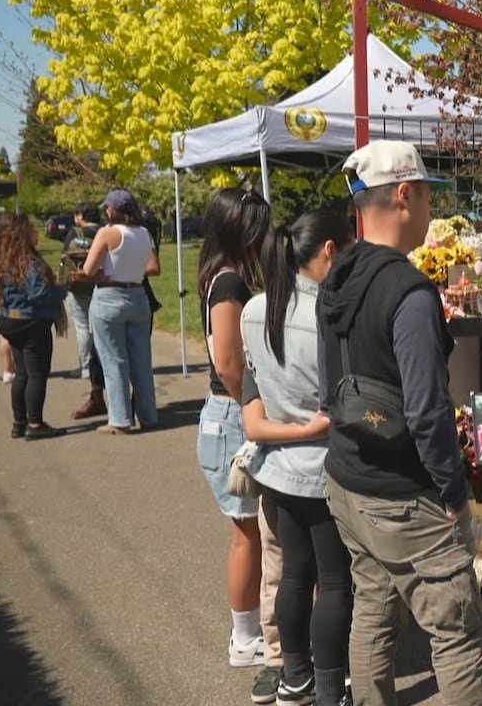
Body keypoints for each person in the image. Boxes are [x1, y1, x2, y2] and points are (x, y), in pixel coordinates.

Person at [319, 141, 482, 706]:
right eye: (425, 197)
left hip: (347, 479)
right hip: (402, 493)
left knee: (372, 610)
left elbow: (328, 386)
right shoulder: (411, 292)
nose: (429, 212)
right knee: (457, 629)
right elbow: (427, 409)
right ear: (403, 194)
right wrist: (452, 494)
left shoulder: (337, 274)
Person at [242, 210, 355, 706]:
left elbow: (252, 387)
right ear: (329, 250)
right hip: (326, 466)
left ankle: (294, 678)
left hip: (278, 464)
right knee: (334, 582)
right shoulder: (328, 315)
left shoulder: (255, 310)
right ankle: (332, 687)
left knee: (293, 573)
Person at [196, 187, 270, 673]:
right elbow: (228, 363)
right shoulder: (228, 284)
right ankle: (244, 638)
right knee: (248, 534)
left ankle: (251, 630)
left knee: (252, 532)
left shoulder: (222, 277)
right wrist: (259, 406)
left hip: (225, 419)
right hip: (229, 417)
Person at [79, 188, 160, 434]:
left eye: (108, 207)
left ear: (113, 210)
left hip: (109, 296)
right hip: (138, 295)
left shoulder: (107, 233)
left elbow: (88, 269)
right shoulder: (145, 233)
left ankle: (121, 419)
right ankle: (147, 415)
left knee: (114, 361)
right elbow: (152, 266)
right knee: (141, 362)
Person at [0, 213, 67, 438]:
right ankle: (35, 424)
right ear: (22, 235)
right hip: (31, 322)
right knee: (37, 374)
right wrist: (62, 290)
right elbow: (39, 293)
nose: (36, 233)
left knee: (22, 373)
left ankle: (19, 422)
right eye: (32, 230)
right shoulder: (29, 262)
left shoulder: (4, 260)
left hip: (10, 320)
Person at [62, 202, 109, 418]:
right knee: (99, 329)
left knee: (82, 327)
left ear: (81, 215)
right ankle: (100, 364)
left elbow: (65, 258)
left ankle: (84, 366)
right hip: (99, 285)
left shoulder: (74, 232)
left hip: (79, 285)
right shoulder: (104, 231)